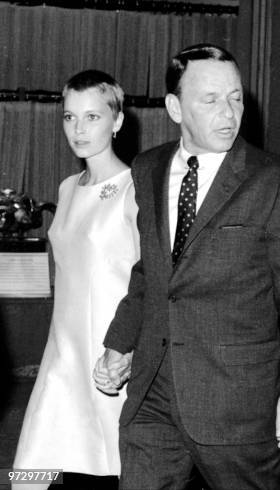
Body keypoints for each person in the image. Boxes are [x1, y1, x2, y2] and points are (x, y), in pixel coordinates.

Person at [93, 43, 280, 490]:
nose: (229, 112)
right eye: (211, 99)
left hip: (234, 402)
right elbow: (152, 272)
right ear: (175, 107)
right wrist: (119, 343)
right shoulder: (148, 167)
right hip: (153, 392)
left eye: (236, 97)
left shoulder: (275, 179)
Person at [13, 70, 139, 490]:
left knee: (101, 466)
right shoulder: (68, 188)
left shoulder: (135, 190)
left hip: (110, 355)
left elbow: (150, 281)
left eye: (92, 117)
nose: (79, 129)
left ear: (117, 121)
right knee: (32, 468)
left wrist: (129, 351)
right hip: (62, 353)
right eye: (70, 117)